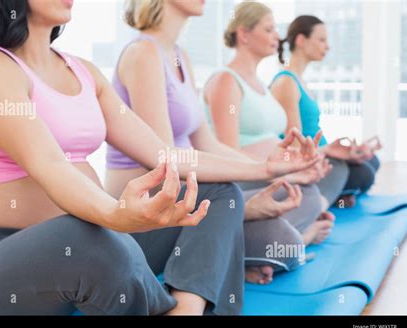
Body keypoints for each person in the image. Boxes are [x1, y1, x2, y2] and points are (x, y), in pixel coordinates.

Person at [0, 0, 249, 316]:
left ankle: (186, 311)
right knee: (86, 235)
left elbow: (163, 155)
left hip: (89, 246)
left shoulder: (82, 71)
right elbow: (50, 165)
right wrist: (114, 214)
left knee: (218, 193)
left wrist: (266, 168)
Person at [106, 0, 323, 285]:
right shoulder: (142, 54)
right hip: (154, 208)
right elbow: (164, 165)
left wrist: (278, 169)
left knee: (304, 195)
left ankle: (228, 249)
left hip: (190, 193)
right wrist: (253, 194)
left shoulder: (179, 55)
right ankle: (237, 247)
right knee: (281, 240)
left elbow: (208, 143)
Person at [204, 1, 341, 246]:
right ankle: (297, 238)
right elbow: (227, 152)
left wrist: (297, 168)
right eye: (268, 30)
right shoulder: (226, 80)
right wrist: (278, 173)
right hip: (241, 176)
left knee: (329, 175)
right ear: (244, 34)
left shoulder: (260, 84)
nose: (277, 36)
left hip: (267, 172)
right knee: (307, 195)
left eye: (275, 29)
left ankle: (283, 237)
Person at [271, 15, 381, 205]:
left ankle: (338, 192)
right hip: (309, 159)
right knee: (364, 174)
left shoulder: (299, 80)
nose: (327, 46)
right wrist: (328, 152)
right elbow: (294, 147)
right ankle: (332, 195)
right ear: (301, 40)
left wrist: (347, 151)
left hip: (321, 153)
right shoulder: (286, 82)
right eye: (321, 40)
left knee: (372, 161)